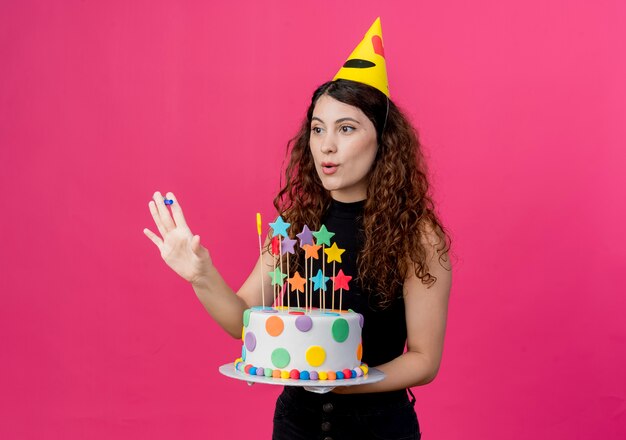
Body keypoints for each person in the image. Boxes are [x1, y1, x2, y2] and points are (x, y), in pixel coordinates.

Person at [144, 18, 451, 440]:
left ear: (383, 140)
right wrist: (201, 275)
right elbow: (242, 322)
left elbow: (424, 360)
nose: (327, 145)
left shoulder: (417, 236)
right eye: (318, 129)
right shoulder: (294, 227)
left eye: (346, 129)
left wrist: (349, 379)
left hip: (379, 428)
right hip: (297, 423)